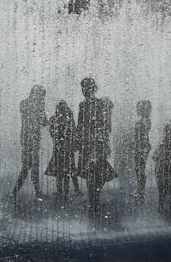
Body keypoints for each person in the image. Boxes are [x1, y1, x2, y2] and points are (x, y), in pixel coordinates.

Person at [77, 78, 117, 217]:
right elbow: (81, 125)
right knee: (93, 173)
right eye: (84, 88)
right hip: (90, 143)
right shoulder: (83, 105)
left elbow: (106, 125)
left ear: (92, 89)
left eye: (87, 88)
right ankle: (93, 200)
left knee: (96, 173)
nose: (85, 91)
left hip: (95, 143)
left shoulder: (99, 103)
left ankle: (94, 199)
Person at [13, 85, 48, 201]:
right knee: (32, 165)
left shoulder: (23, 103)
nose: (42, 99)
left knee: (28, 165)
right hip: (31, 138)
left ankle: (16, 192)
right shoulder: (36, 105)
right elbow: (43, 122)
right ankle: (35, 193)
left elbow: (39, 121)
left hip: (27, 138)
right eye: (41, 96)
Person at [45, 100, 81, 201]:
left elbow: (73, 132)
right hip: (60, 148)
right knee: (62, 171)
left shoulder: (68, 119)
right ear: (58, 108)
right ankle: (63, 192)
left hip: (66, 148)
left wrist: (73, 143)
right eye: (61, 107)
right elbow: (52, 132)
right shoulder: (56, 119)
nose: (62, 109)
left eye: (64, 107)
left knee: (67, 171)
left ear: (66, 108)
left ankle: (65, 192)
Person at [153, 124, 171, 214]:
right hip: (163, 170)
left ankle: (163, 209)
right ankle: (167, 210)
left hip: (164, 170)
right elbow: (155, 156)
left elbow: (154, 157)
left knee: (168, 190)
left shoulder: (168, 143)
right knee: (170, 190)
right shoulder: (165, 144)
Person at [133, 100, 152, 204]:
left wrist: (142, 147)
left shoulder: (143, 120)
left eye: (141, 107)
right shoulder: (144, 119)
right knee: (140, 169)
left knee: (140, 169)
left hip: (142, 146)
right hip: (141, 146)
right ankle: (140, 191)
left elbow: (142, 135)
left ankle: (141, 192)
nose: (139, 108)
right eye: (138, 107)